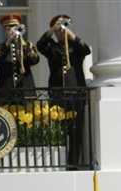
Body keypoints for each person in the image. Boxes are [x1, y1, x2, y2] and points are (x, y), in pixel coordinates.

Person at [37, 15, 91, 168]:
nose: (61, 31)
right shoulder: (52, 47)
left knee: (76, 131)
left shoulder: (76, 47)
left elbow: (86, 49)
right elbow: (40, 45)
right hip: (58, 92)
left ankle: (74, 164)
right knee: (59, 131)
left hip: (76, 93)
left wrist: (70, 34)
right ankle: (59, 163)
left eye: (64, 26)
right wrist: (52, 30)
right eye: (59, 29)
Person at [0, 13, 39, 92]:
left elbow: (34, 60)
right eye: (9, 28)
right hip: (6, 90)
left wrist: (23, 43)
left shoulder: (27, 45)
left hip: (26, 89)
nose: (12, 30)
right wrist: (8, 41)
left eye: (15, 27)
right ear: (5, 30)